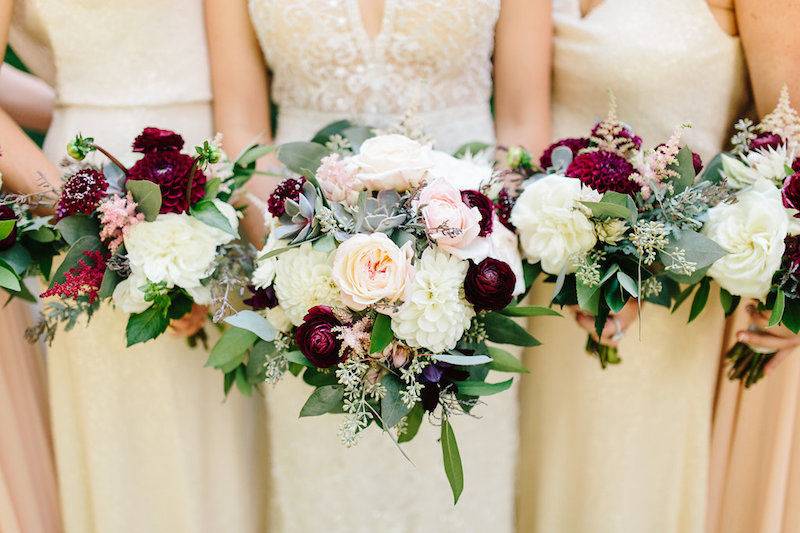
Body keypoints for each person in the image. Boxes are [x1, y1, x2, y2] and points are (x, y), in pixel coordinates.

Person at [205, 0, 550, 531]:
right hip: (308, 288)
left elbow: (524, 123)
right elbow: (245, 137)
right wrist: (304, 272)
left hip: (467, 278)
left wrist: (468, 266)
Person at [515, 0, 796, 531]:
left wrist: (790, 284)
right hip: (547, 292)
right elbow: (519, 131)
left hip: (675, 311)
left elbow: (792, 142)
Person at [0, 2, 269, 531]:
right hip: (83, 188)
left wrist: (230, 233)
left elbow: (242, 110)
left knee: (220, 428)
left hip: (208, 178)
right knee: (122, 439)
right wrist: (91, 226)